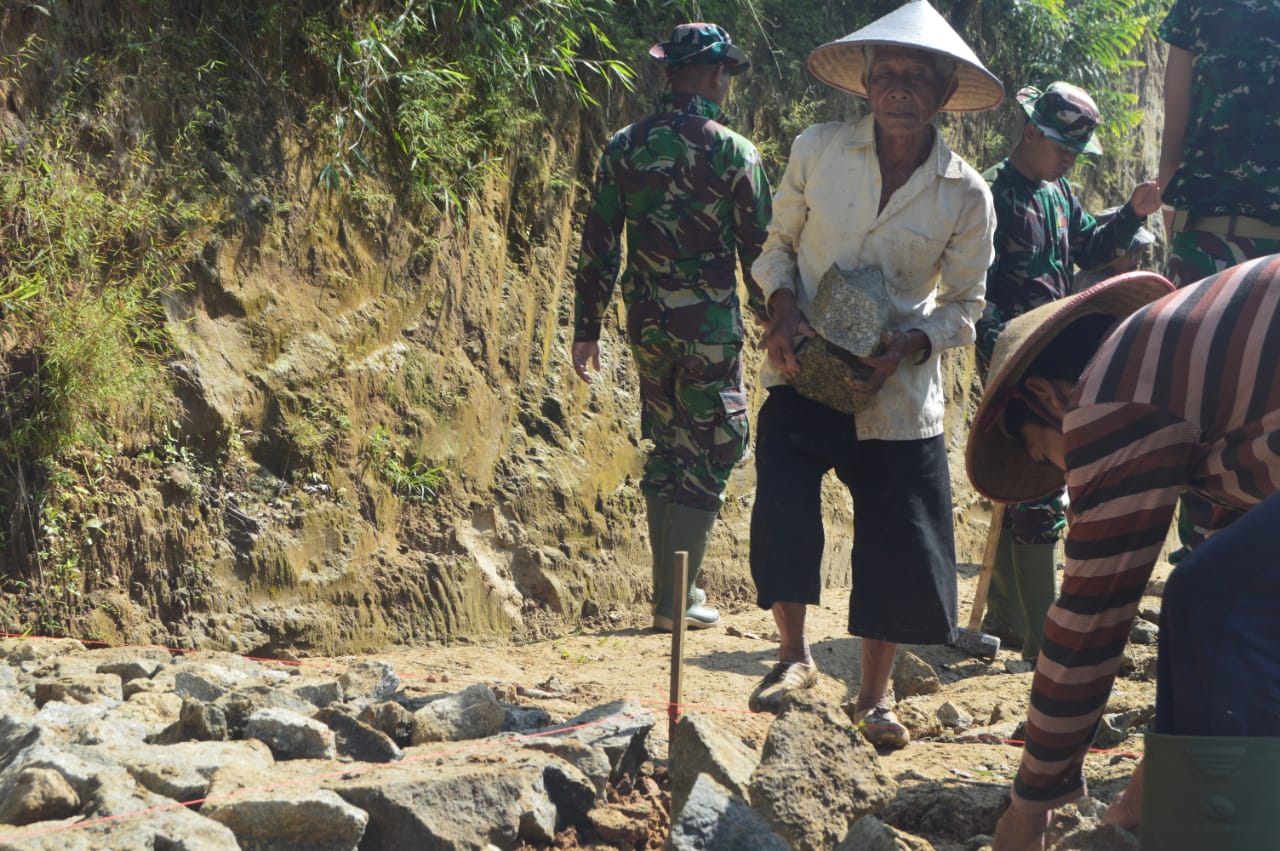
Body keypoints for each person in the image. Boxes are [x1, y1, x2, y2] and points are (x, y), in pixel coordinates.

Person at [744, 0, 1001, 749]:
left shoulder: (965, 191)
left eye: (916, 78)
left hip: (897, 390)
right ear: (864, 82)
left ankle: (875, 697)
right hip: (806, 365)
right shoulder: (817, 150)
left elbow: (965, 307)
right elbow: (776, 249)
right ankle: (792, 658)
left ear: (943, 93)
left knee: (895, 535)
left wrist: (910, 343)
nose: (899, 89)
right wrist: (782, 311)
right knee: (785, 503)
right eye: (886, 74)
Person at [965, 254, 1280, 850]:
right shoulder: (1195, 371)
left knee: (1207, 596)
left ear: (1047, 397)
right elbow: (1218, 644)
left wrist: (1029, 805)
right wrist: (1147, 786)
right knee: (1218, 594)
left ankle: (1228, 833)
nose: (1062, 476)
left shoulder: (1112, 388)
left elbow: (1093, 614)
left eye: (1041, 456)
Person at [569, 23, 772, 633]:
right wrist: (776, 319)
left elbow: (598, 243)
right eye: (726, 73)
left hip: (647, 326)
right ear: (714, 75)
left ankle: (671, 597)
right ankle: (676, 601)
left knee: (666, 446)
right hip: (709, 327)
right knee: (712, 449)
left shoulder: (623, 146)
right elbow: (760, 252)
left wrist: (587, 326)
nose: (728, 82)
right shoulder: (736, 152)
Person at [976, 82, 1161, 664]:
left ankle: (1011, 618)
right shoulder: (989, 194)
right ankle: (1041, 637)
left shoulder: (1059, 193)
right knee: (1037, 483)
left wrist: (1132, 214)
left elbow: (1089, 251)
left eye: (1076, 154)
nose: (1068, 161)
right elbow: (971, 288)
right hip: (1012, 357)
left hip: (1053, 352)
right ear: (1030, 131)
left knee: (1028, 482)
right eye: (1062, 148)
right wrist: (1003, 353)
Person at [1156, 0, 1280, 561]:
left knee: (1193, 405)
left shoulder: (1196, 8)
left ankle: (1200, 560)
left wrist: (1168, 192)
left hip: (1203, 234)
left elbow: (1174, 107)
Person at [1070, 208, 1154, 293]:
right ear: (1110, 250)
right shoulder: (1096, 285)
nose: (1138, 261)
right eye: (1134, 250)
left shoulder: (1115, 279)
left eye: (1140, 251)